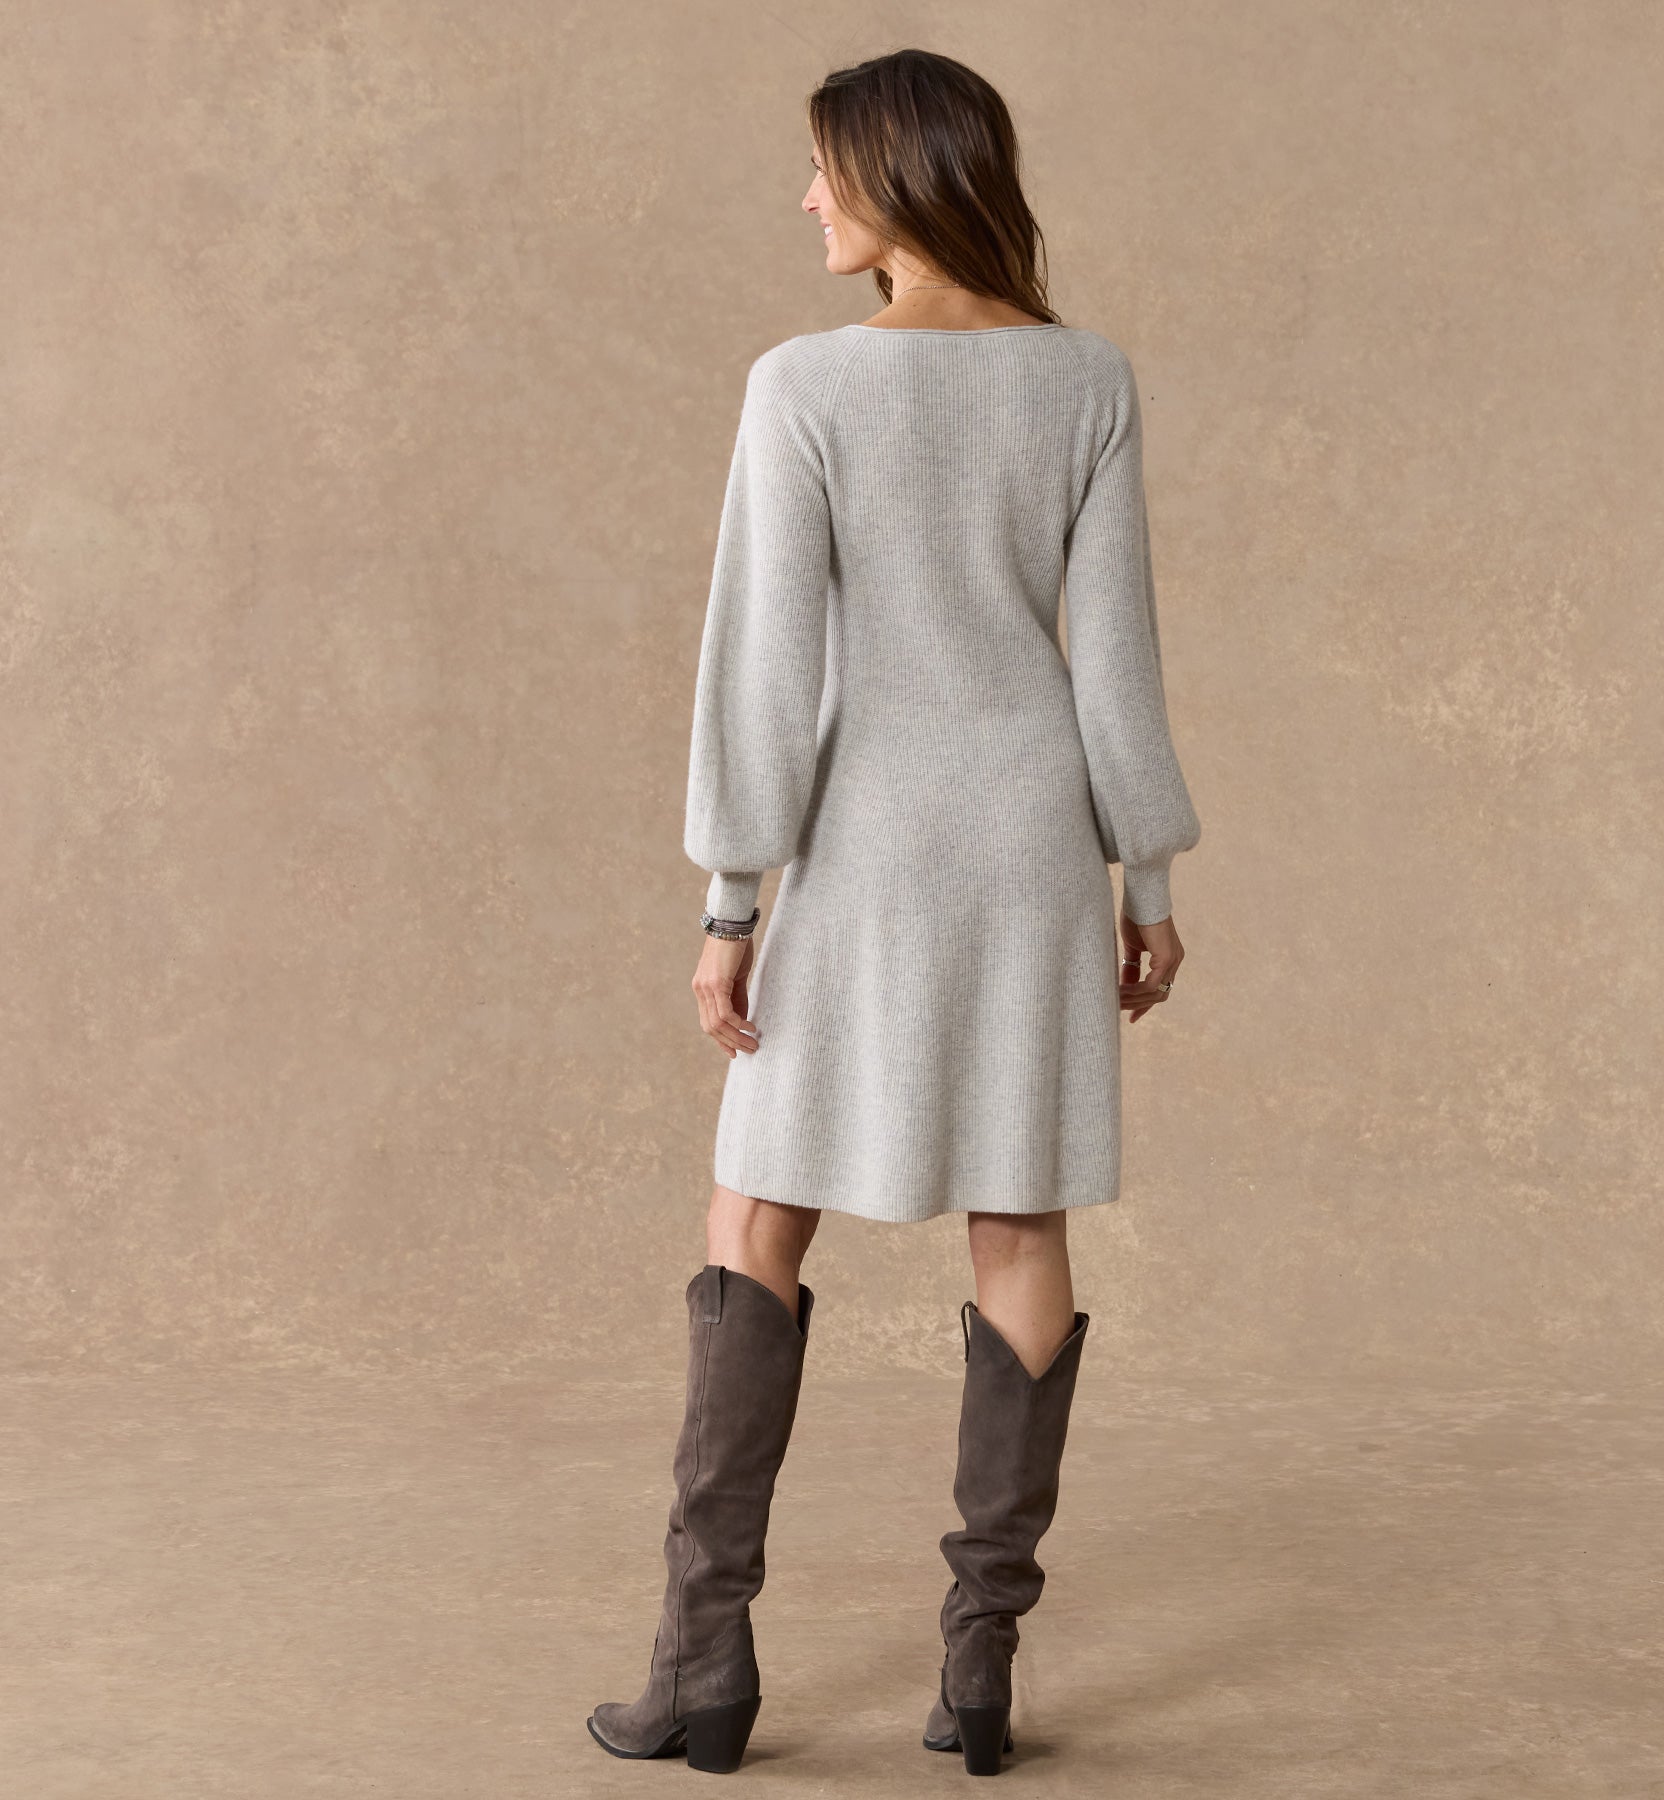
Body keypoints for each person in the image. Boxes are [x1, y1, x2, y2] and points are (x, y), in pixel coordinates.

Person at [587, 46, 1202, 1778]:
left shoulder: (805, 384)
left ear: (895, 176)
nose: (807, 198)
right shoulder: (1086, 378)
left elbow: (767, 667)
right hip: (1033, 847)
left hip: (862, 847)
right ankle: (979, 1674)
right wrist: (1147, 875)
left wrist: (732, 900)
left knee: (755, 1210)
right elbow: (1115, 660)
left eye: (824, 170)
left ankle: (704, 1667)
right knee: (1019, 1215)